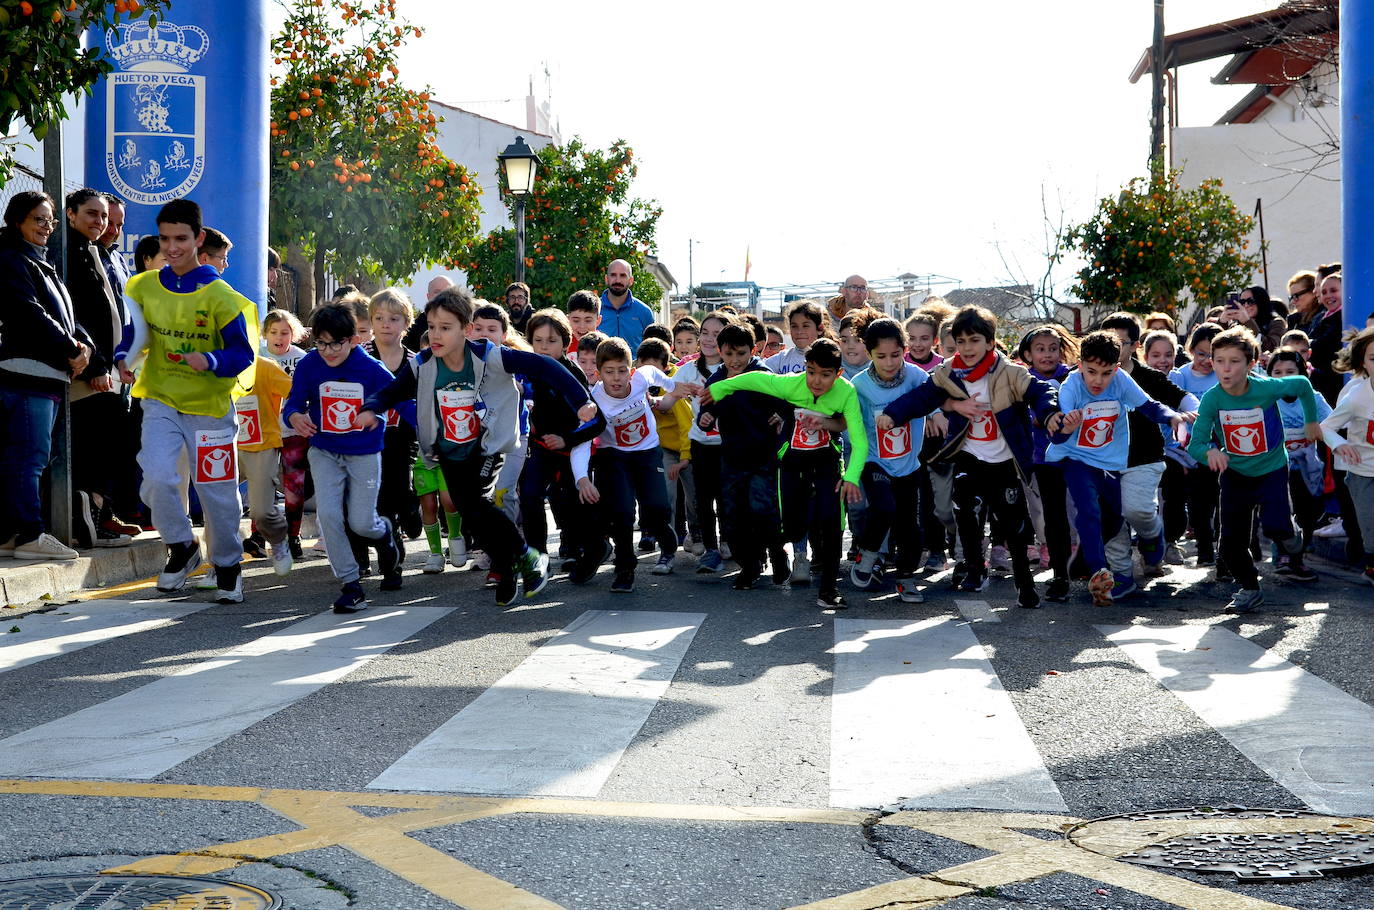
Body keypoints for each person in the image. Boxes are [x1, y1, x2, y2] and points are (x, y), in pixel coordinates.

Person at [359, 287, 592, 605]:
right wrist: (371, 407)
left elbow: (545, 367)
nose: (436, 334)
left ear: (466, 330)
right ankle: (507, 568)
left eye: (445, 327)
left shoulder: (490, 356)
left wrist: (582, 401)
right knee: (471, 513)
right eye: (431, 327)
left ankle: (529, 557)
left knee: (477, 501)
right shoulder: (425, 363)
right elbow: (392, 390)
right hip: (450, 451)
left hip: (488, 446)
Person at [113, 198, 258, 603]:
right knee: (158, 478)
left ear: (199, 239)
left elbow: (242, 354)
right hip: (159, 398)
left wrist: (209, 359)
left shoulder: (221, 296)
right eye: (164, 238)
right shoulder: (142, 286)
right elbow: (133, 335)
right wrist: (123, 358)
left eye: (181, 238)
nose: (172, 247)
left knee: (217, 493)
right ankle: (182, 547)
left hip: (210, 408)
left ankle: (228, 565)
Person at [881, 306, 1064, 609]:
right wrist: (893, 414)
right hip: (969, 456)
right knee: (964, 509)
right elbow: (923, 396)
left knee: (1014, 525)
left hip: (1005, 462)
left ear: (991, 343)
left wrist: (1049, 415)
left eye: (974, 340)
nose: (967, 348)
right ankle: (975, 569)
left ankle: (1024, 581)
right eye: (961, 341)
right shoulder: (949, 372)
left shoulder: (1009, 372)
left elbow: (1041, 392)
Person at [700, 337, 866, 607]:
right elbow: (754, 380)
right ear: (805, 367)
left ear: (838, 374)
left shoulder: (846, 392)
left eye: (825, 375)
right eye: (811, 371)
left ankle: (828, 590)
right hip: (792, 462)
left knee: (832, 522)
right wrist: (720, 388)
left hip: (826, 463)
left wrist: (851, 477)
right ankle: (781, 548)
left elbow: (859, 441)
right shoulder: (792, 383)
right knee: (790, 524)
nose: (816, 381)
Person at [1187, 326, 1321, 613]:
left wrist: (1311, 421)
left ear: (1250, 365)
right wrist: (1210, 451)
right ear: (1212, 362)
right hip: (1235, 474)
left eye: (1234, 361)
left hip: (1272, 468)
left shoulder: (1266, 387)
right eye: (1220, 360)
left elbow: (1302, 385)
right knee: (1229, 545)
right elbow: (1195, 444)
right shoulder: (1212, 399)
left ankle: (1290, 533)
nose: (1226, 369)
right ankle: (1249, 588)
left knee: (1276, 527)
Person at [284, 303, 402, 611]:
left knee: (362, 523)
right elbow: (293, 403)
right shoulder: (310, 365)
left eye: (335, 343)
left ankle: (385, 535)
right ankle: (351, 584)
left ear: (353, 339)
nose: (328, 351)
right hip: (324, 450)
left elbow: (402, 400)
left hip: (363, 453)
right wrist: (295, 416)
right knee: (329, 516)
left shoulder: (372, 369)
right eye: (321, 343)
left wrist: (429, 433)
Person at [0, 191, 92, 561]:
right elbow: (30, 314)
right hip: (27, 372)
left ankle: (10, 532)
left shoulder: (39, 261)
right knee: (30, 456)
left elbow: (66, 315)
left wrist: (84, 347)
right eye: (39, 219)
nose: (46, 227)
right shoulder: (11, 259)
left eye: (50, 221)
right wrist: (72, 349)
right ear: (17, 220)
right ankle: (30, 534)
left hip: (47, 373)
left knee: (29, 455)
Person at [572, 337, 699, 591]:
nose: (617, 378)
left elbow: (654, 373)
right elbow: (582, 443)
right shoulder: (594, 402)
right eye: (609, 372)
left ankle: (662, 529)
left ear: (631, 372)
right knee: (622, 513)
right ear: (598, 374)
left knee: (656, 509)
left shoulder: (641, 377)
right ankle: (625, 568)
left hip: (647, 451)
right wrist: (582, 479)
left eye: (621, 371)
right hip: (614, 457)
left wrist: (674, 386)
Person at [1098, 312, 1195, 595]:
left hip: (1145, 457)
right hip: (1102, 460)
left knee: (1136, 509)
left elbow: (1181, 397)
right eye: (1107, 340)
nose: (1113, 347)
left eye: (1120, 341)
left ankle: (1153, 535)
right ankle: (1122, 575)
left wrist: (1193, 411)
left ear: (1135, 344)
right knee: (1112, 517)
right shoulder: (1090, 374)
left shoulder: (1147, 376)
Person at [61, 188, 136, 549]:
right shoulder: (68, 253)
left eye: (108, 219)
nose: (104, 225)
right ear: (71, 214)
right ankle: (87, 521)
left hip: (113, 368)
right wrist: (98, 362)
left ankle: (102, 516)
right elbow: (76, 314)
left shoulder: (103, 254)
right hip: (89, 369)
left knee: (109, 446)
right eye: (95, 215)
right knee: (93, 447)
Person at [843, 317, 931, 602]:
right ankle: (867, 552)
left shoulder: (917, 377)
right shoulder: (859, 385)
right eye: (881, 356)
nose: (890, 362)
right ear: (869, 354)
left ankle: (905, 577)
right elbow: (849, 422)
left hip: (908, 465)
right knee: (883, 508)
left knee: (909, 527)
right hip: (874, 460)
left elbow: (934, 399)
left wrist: (939, 414)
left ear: (905, 349)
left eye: (896, 355)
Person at [696, 324, 788, 589]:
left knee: (763, 510)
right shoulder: (717, 379)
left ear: (753, 350)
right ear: (720, 352)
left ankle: (777, 554)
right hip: (732, 459)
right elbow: (706, 412)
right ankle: (749, 567)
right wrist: (706, 419)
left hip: (763, 456)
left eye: (741, 353)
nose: (735, 361)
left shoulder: (763, 374)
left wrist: (780, 413)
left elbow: (786, 398)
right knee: (733, 516)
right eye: (729, 354)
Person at [521, 308, 605, 580]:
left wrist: (566, 439)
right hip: (542, 448)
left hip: (573, 450)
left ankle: (595, 548)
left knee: (571, 508)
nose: (544, 347)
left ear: (566, 343)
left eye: (552, 341)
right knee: (530, 497)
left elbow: (598, 422)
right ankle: (537, 559)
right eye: (538, 340)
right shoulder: (528, 366)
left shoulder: (571, 374)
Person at [1016, 324, 1077, 600]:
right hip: (1043, 458)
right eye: (1040, 349)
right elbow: (1027, 418)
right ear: (1027, 354)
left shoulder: (1074, 377)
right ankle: (1060, 574)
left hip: (1077, 456)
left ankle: (1090, 563)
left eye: (1053, 348)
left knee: (1082, 512)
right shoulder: (1021, 381)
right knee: (1053, 516)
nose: (1047, 355)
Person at [674, 310, 732, 573]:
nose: (709, 339)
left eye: (717, 334)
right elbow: (665, 396)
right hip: (700, 443)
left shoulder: (736, 367)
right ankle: (710, 549)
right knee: (703, 498)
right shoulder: (686, 370)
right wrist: (666, 397)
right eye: (705, 333)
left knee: (727, 497)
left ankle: (729, 541)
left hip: (730, 444)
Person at [365, 289, 421, 554]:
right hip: (369, 435)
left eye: (394, 318)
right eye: (379, 317)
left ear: (406, 324)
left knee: (399, 486)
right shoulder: (361, 356)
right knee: (379, 495)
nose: (386, 324)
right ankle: (392, 543)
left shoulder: (414, 361)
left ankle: (410, 507)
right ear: (371, 322)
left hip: (404, 436)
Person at [1319, 327, 1374, 585]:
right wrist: (1340, 445)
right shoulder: (1357, 396)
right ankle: (1371, 565)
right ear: (1363, 362)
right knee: (1369, 526)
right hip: (1363, 470)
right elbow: (1326, 427)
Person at [234, 346, 295, 577]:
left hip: (262, 444)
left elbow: (295, 393)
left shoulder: (266, 367)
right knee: (217, 508)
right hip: (222, 442)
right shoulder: (211, 365)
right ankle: (223, 562)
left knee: (261, 512)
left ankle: (278, 540)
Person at [1268, 349, 1330, 566]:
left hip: (1307, 465)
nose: (1285, 377)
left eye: (1290, 371)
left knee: (1306, 510)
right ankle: (1282, 553)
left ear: (1303, 373)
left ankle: (1302, 548)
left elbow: (1331, 424)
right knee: (1281, 509)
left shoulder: (1313, 398)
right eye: (1278, 372)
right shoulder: (1267, 399)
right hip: (1275, 465)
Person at [1170, 322, 1224, 569]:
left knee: (1220, 499)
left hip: (1222, 446)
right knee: (1199, 503)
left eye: (1212, 356)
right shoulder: (1180, 375)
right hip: (1191, 450)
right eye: (1200, 353)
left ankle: (1225, 550)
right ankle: (1204, 548)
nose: (1206, 360)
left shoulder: (1224, 375)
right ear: (1191, 350)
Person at [637, 338, 693, 563]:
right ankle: (666, 548)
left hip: (687, 447)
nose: (648, 373)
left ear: (665, 367)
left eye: (654, 369)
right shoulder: (634, 385)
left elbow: (686, 424)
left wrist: (686, 458)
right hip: (664, 450)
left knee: (694, 498)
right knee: (665, 497)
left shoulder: (672, 386)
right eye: (644, 367)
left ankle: (697, 533)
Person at [598, 259, 655, 352]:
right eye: (613, 275)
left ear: (631, 280)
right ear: (606, 279)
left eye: (623, 275)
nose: (618, 280)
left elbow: (652, 349)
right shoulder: (594, 310)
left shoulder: (644, 312)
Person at [765, 301, 826, 374]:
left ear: (820, 329)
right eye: (794, 326)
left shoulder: (829, 357)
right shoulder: (781, 358)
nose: (799, 331)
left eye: (805, 326)